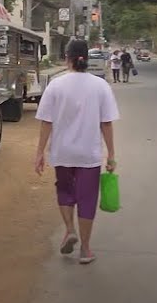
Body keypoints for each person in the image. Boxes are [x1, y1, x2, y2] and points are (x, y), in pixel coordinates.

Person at [35, 39, 120, 265]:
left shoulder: (56, 85)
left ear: (67, 58)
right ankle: (85, 249)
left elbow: (46, 122)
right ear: (87, 59)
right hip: (88, 155)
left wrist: (39, 153)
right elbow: (106, 123)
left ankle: (70, 229)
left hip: (62, 153)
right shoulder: (100, 86)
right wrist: (111, 155)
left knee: (64, 191)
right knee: (87, 199)